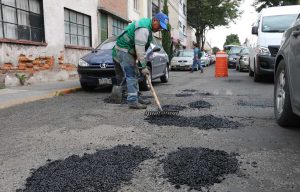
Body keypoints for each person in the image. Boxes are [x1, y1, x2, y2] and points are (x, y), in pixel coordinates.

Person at [112, 12, 169, 109]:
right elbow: (140, 48)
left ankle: (136, 97)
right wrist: (143, 66)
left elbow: (140, 49)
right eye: (159, 26)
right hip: (123, 50)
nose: (160, 29)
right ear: (155, 20)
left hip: (127, 51)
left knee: (134, 74)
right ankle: (133, 101)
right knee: (132, 75)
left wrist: (141, 63)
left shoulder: (148, 28)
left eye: (162, 28)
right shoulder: (144, 28)